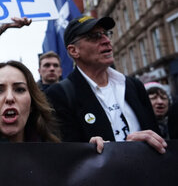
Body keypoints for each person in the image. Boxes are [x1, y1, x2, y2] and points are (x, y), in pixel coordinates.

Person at [45, 16, 167, 154]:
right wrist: (122, 150)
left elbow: (158, 139)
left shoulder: (133, 85)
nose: (106, 41)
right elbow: (66, 155)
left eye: (106, 34)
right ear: (74, 51)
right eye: (95, 36)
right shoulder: (59, 94)